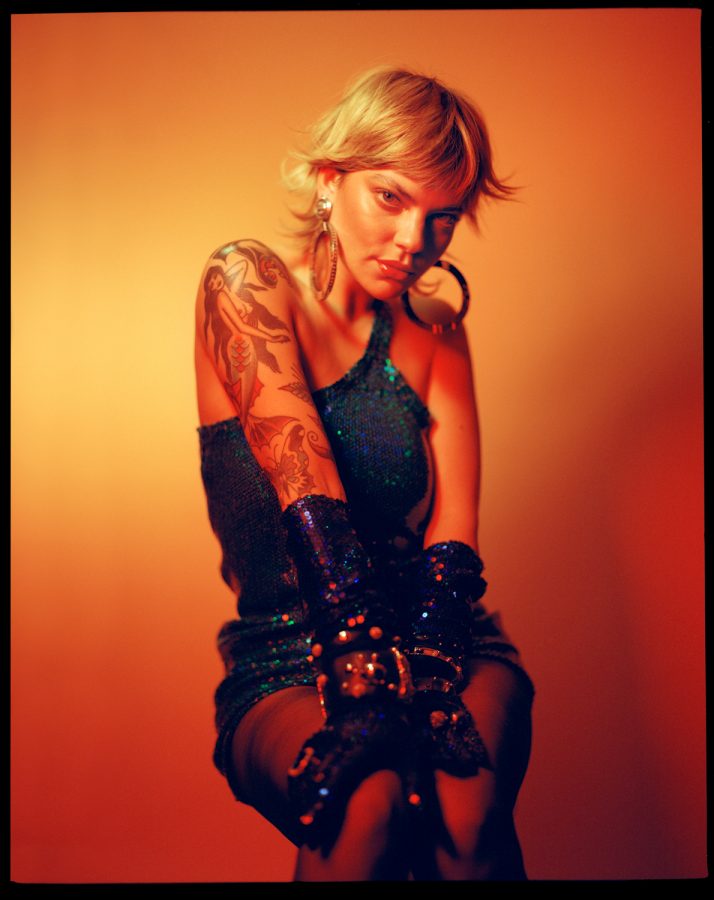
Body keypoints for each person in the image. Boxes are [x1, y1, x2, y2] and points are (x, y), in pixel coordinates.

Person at [194, 65, 534, 882]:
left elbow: (455, 530)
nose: (416, 240)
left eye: (443, 217)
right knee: (366, 806)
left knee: (465, 819)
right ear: (328, 180)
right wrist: (363, 680)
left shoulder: (436, 331)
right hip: (291, 654)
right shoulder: (244, 283)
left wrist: (431, 672)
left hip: (443, 640)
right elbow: (304, 479)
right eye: (391, 198)